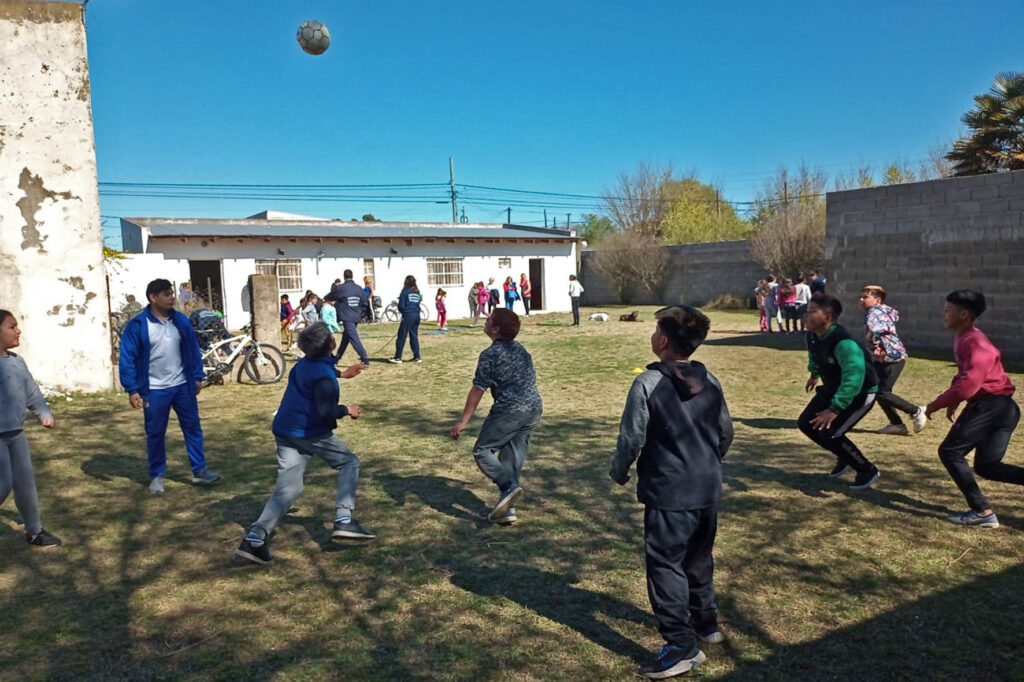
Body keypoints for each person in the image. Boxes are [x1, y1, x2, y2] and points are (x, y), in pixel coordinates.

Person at [609, 304, 733, 679]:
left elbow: (632, 437)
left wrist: (619, 470)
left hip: (670, 490)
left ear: (662, 340)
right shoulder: (710, 380)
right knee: (698, 556)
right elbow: (725, 432)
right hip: (708, 487)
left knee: (665, 564)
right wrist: (707, 464)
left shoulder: (647, 383)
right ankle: (707, 623)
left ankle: (681, 646)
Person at [235, 322, 374, 564]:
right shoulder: (325, 379)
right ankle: (344, 519)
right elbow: (325, 411)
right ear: (331, 344)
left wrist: (342, 372)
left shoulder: (303, 365)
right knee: (349, 463)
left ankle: (254, 539)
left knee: (290, 489)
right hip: (308, 432)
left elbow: (318, 371)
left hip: (284, 430)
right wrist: (347, 409)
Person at [924, 290, 1021, 529]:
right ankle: (982, 511)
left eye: (947, 310)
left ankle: (982, 511)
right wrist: (954, 401)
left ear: (964, 314)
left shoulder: (976, 344)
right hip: (1003, 407)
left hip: (990, 406)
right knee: (987, 466)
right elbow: (964, 375)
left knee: (950, 452)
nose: (943, 314)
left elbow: (969, 385)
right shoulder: (965, 336)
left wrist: (933, 406)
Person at [118, 278, 220, 493]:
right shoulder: (138, 325)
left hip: (182, 386)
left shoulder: (180, 321)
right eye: (166, 294)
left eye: (172, 293)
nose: (172, 297)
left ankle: (200, 471)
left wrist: (197, 375)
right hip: (153, 390)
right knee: (155, 432)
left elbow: (192, 349)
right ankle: (157, 475)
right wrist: (132, 389)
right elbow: (127, 358)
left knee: (193, 428)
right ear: (153, 297)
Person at [451, 309, 542, 524]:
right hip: (533, 410)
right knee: (511, 460)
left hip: (509, 410)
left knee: (482, 450)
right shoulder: (521, 350)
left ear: (496, 329)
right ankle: (507, 510)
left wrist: (463, 421)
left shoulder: (490, 355)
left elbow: (478, 389)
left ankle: (507, 487)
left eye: (489, 318)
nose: (486, 319)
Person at [798, 293, 880, 490]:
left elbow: (854, 378)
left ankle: (866, 469)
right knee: (806, 423)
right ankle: (844, 456)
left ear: (828, 317)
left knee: (831, 434)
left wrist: (835, 409)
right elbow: (815, 355)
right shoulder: (812, 335)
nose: (805, 316)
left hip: (860, 392)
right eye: (806, 311)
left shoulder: (844, 343)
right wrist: (814, 373)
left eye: (811, 312)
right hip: (833, 387)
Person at [0, 310, 61, 548]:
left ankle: (35, 532)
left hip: (16, 434)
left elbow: (32, 392)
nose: (18, 331)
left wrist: (44, 413)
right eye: (11, 326)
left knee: (25, 483)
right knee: (3, 483)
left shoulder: (17, 362)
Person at [859, 285, 927, 436]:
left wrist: (877, 346)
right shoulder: (880, 311)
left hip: (890, 358)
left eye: (865, 297)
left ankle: (915, 411)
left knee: (880, 391)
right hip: (884, 357)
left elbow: (877, 330)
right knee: (878, 390)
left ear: (877, 300)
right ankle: (896, 424)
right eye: (861, 296)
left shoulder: (875, 313)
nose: (861, 299)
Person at [331, 270, 370, 368]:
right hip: (356, 316)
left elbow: (332, 295)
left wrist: (326, 298)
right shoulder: (359, 288)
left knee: (353, 337)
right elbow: (365, 302)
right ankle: (336, 359)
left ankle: (365, 359)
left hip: (347, 317)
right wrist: (360, 311)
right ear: (352, 276)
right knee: (346, 338)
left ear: (344, 277)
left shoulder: (341, 288)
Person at [389, 275, 423, 364]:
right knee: (414, 335)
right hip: (417, 315)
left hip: (408, 315)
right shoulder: (417, 292)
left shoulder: (405, 291)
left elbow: (401, 306)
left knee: (401, 336)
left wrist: (403, 311)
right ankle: (417, 356)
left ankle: (398, 357)